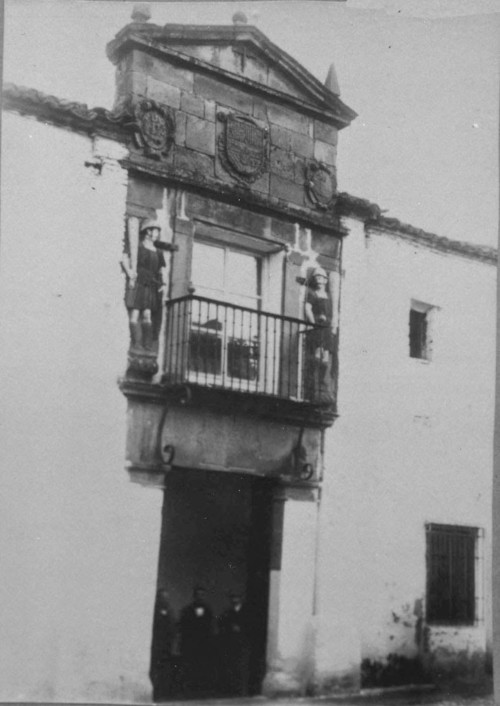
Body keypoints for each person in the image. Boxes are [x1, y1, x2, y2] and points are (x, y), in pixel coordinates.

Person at [121, 218, 168, 352]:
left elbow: (161, 269)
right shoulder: (138, 247)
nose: (157, 234)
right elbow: (125, 258)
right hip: (139, 282)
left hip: (151, 285)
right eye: (155, 231)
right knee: (135, 314)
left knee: (147, 314)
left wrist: (163, 283)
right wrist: (130, 272)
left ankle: (147, 345)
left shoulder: (158, 252)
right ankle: (135, 343)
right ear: (148, 231)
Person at [304, 266, 336, 403]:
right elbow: (308, 308)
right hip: (318, 326)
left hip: (327, 328)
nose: (319, 280)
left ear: (325, 280)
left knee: (325, 358)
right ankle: (315, 388)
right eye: (317, 277)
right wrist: (313, 323)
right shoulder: (312, 294)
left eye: (321, 277)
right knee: (317, 355)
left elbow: (333, 312)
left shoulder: (328, 295)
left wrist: (333, 325)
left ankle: (324, 388)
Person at [179, 586, 216, 697]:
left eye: (202, 595)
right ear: (194, 596)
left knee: (202, 665)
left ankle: (201, 687)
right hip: (191, 643)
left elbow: (211, 626)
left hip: (204, 643)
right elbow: (183, 626)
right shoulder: (187, 610)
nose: (200, 597)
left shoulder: (208, 610)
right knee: (190, 665)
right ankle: (188, 688)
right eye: (198, 595)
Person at [218, 592, 250, 696]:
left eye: (237, 598)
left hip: (243, 643)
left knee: (242, 667)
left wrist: (242, 629)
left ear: (240, 599)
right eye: (233, 598)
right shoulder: (227, 613)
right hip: (231, 643)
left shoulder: (247, 612)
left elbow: (252, 626)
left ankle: (242, 690)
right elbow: (222, 625)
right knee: (232, 666)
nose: (235, 600)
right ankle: (232, 690)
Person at [150, 588, 177, 702]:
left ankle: (165, 691)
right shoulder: (154, 610)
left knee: (165, 668)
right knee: (155, 668)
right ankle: (155, 692)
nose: (164, 600)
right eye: (162, 597)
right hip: (157, 644)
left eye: (166, 598)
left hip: (167, 645)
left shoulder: (170, 611)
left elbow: (173, 626)